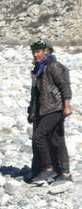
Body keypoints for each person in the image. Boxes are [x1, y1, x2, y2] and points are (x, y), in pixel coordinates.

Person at [27, 39, 72, 185]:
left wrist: (67, 105)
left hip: (56, 108)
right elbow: (36, 93)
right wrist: (32, 111)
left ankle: (49, 168)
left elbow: (64, 86)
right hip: (44, 109)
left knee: (38, 137)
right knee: (56, 140)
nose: (35, 55)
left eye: (38, 51)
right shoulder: (38, 69)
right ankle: (63, 173)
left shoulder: (54, 66)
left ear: (47, 51)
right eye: (34, 52)